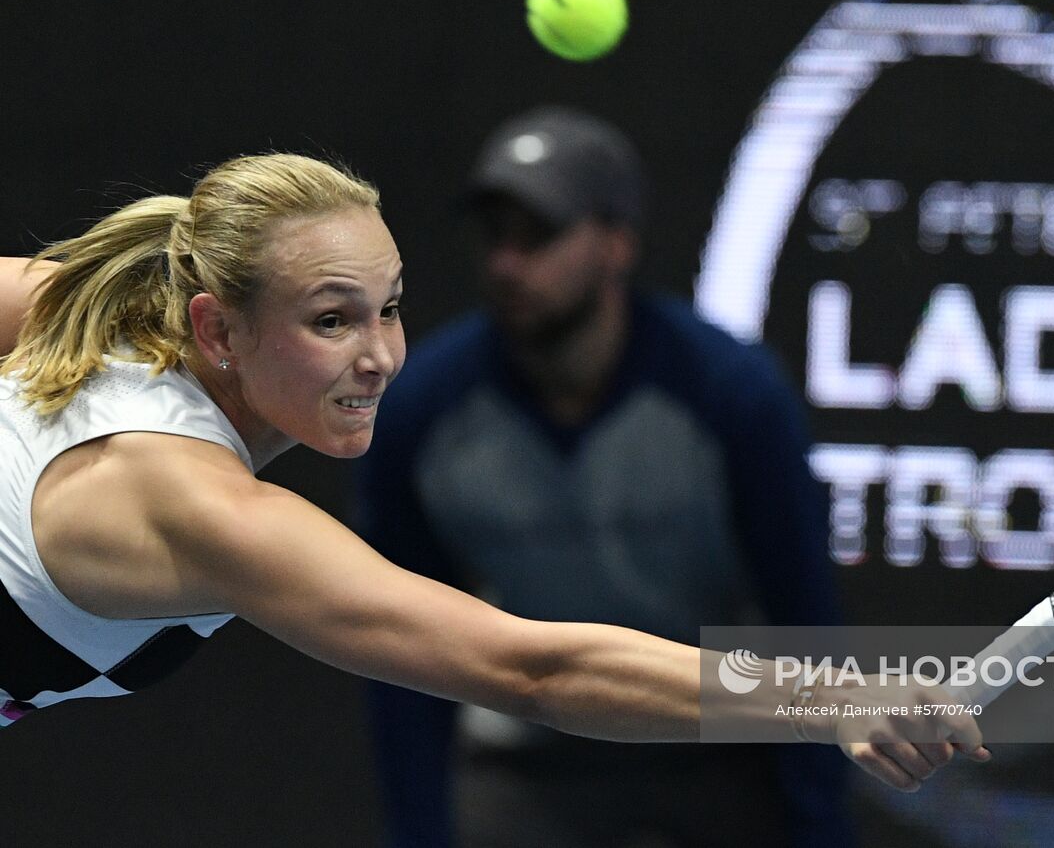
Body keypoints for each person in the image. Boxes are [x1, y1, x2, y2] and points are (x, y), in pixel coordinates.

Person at [0, 152, 985, 801]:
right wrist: (823, 698)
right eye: (331, 320)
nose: (381, 355)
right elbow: (533, 668)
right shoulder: (204, 508)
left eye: (388, 307)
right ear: (218, 326)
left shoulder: (89, 306)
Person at [356, 107, 866, 848]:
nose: (507, 263)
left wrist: (820, 831)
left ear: (617, 244)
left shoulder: (734, 396)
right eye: (496, 235)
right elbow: (401, 656)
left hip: (714, 748)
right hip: (529, 762)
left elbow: (805, 623)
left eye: (540, 236)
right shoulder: (419, 412)